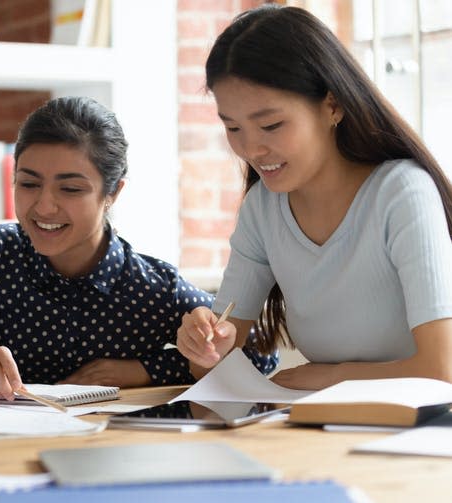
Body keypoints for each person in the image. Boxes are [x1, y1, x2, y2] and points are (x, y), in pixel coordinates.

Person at [0, 96, 276, 401]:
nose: (44, 207)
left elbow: (260, 353)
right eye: (28, 183)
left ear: (112, 193)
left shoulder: (150, 287)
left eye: (71, 189)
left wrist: (141, 370)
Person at [176, 5, 452, 390]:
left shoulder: (401, 192)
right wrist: (203, 349)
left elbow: (442, 368)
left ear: (333, 105)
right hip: (326, 427)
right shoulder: (263, 210)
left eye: (271, 125)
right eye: (233, 127)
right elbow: (209, 371)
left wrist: (331, 377)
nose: (252, 149)